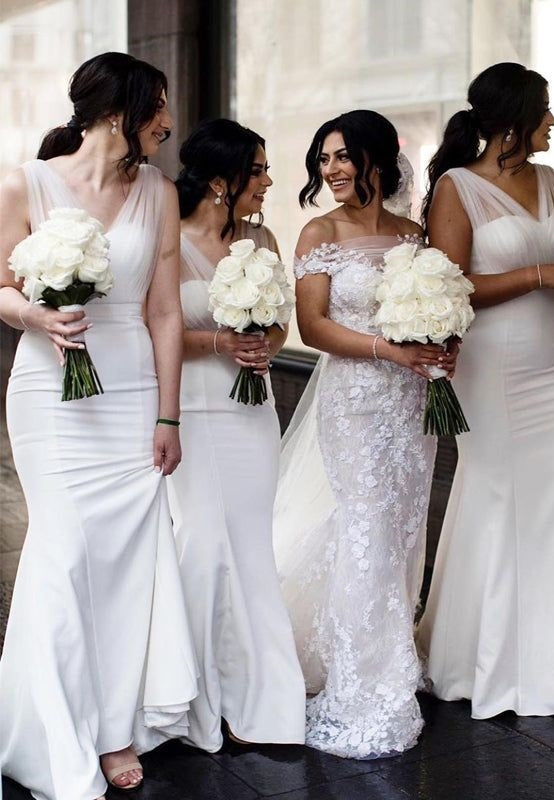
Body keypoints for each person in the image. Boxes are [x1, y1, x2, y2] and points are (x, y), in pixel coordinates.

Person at [0, 52, 197, 800]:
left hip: (133, 393)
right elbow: (0, 287)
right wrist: (38, 316)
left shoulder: (160, 193)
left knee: (126, 566)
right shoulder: (25, 183)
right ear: (118, 112)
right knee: (65, 553)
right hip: (50, 395)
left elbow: (165, 311)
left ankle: (114, 726)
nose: (167, 122)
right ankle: (54, 730)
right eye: (158, 105)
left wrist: (169, 413)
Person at [416, 62, 554, 722]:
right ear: (514, 119)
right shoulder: (457, 187)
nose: (552, 120)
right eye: (544, 109)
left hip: (551, 359)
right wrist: (542, 274)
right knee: (498, 495)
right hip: (490, 363)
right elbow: (452, 285)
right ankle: (485, 658)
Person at [273, 109, 457, 759]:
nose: (331, 170)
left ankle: (390, 652)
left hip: (410, 401)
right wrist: (390, 350)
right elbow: (314, 327)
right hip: (353, 401)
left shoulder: (413, 235)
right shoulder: (319, 232)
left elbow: (436, 305)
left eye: (342, 156)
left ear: (375, 158)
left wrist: (441, 342)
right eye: (323, 160)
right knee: (367, 526)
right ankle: (363, 683)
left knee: (402, 527)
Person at [163, 119, 305, 751]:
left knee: (250, 546)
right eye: (259, 170)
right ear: (222, 180)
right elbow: (155, 328)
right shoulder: (167, 237)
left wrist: (263, 344)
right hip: (193, 405)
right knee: (201, 543)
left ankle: (261, 698)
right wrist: (221, 343)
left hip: (251, 409)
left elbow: (280, 321)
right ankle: (191, 694)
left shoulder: (261, 239)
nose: (269, 182)